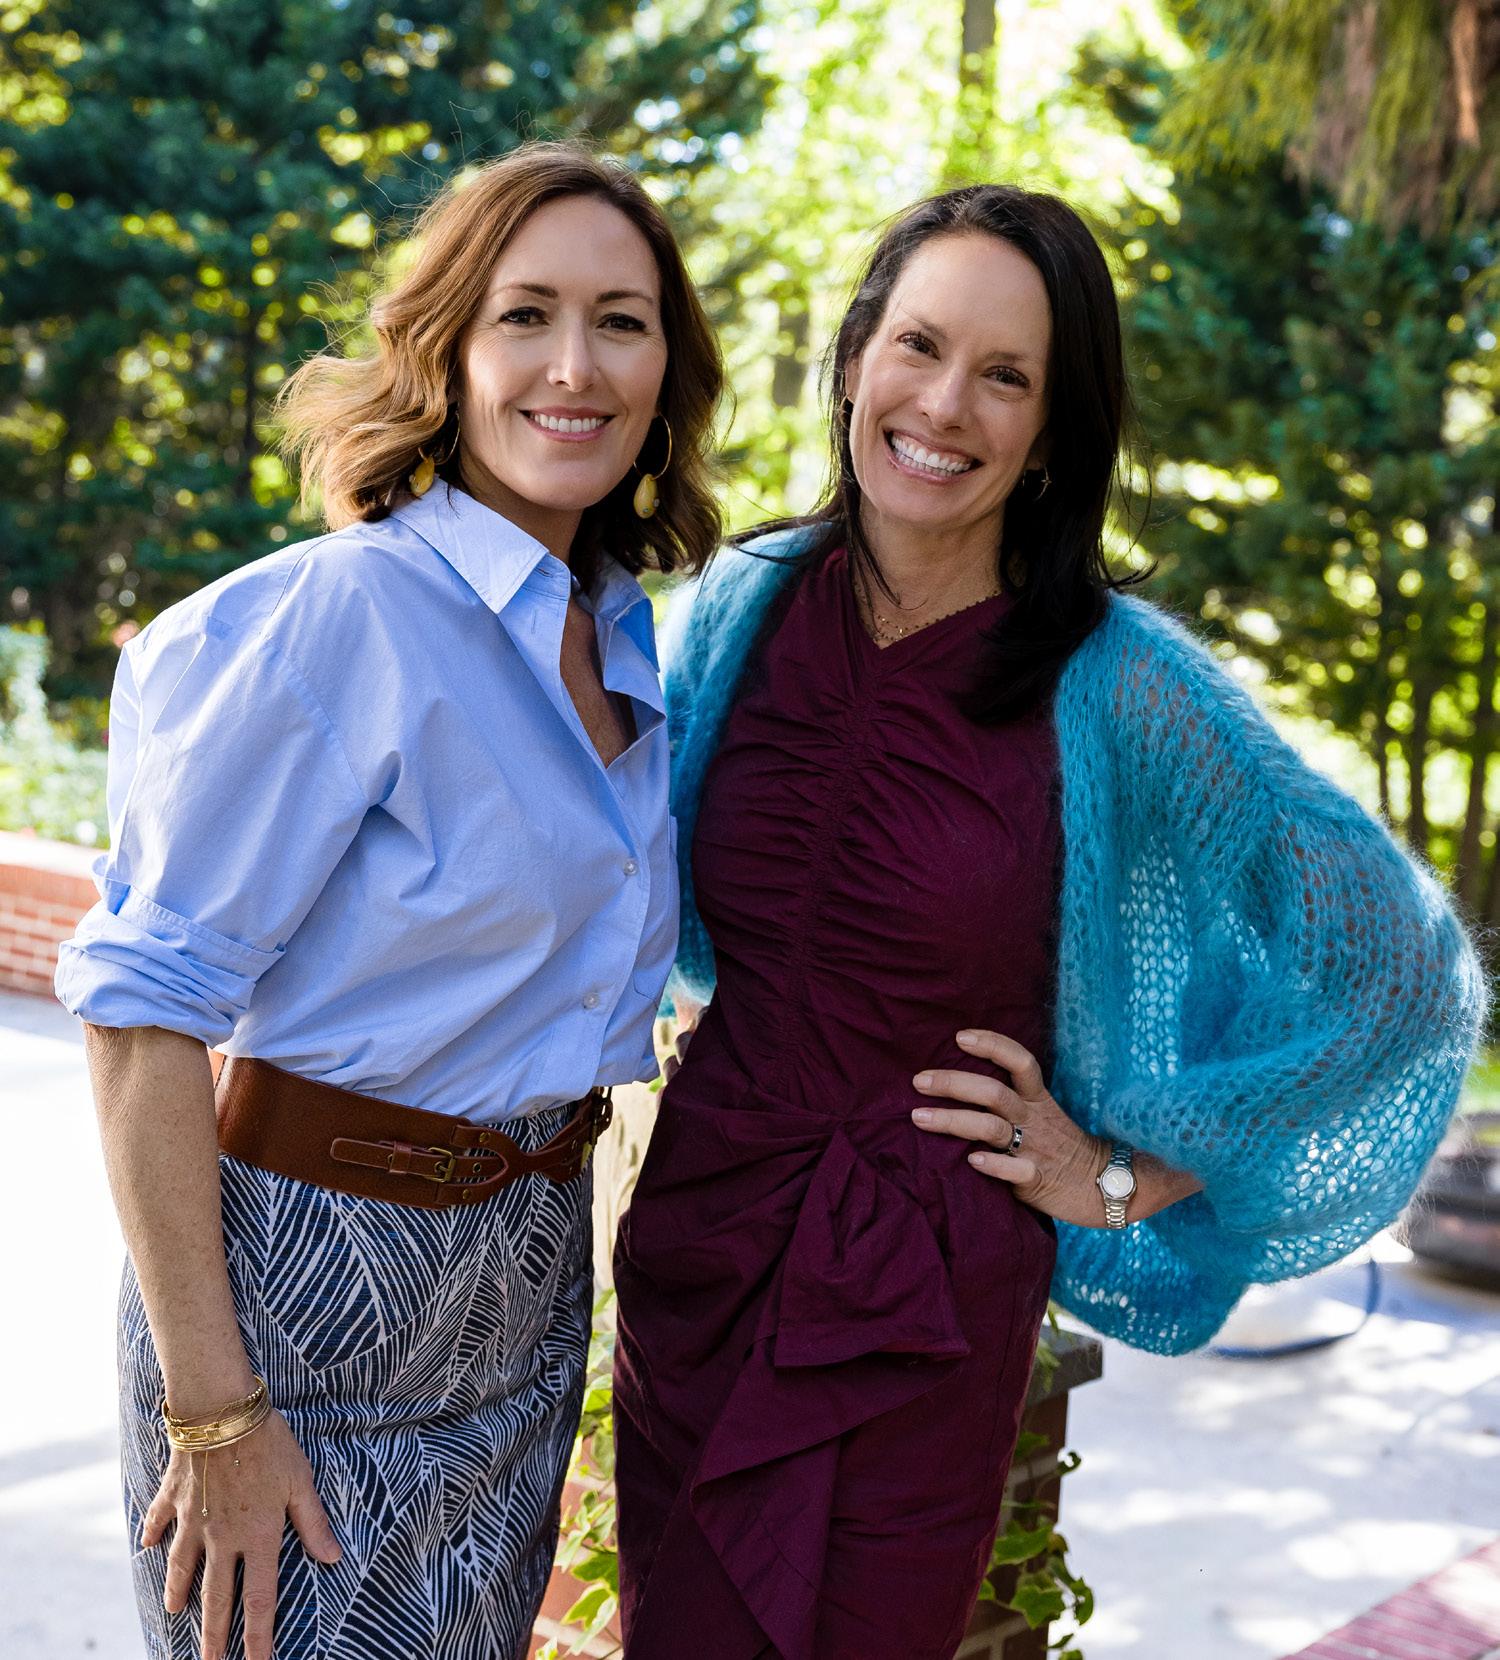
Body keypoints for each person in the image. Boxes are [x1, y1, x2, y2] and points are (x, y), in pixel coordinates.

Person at [610, 184, 1487, 1660]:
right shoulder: (741, 605)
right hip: (706, 1235)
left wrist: (1126, 1176)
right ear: (854, 358)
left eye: (1006, 376)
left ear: (1054, 430)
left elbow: (1402, 975)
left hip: (925, 1298)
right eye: (920, 345)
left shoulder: (1122, 681)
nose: (945, 405)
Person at [55, 140, 723, 1660]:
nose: (575, 366)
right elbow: (138, 1020)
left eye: (622, 322)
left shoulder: (623, 644)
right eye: (525, 315)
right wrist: (215, 1414)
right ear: (447, 353)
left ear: (667, 376)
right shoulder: (331, 621)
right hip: (297, 1295)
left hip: (524, 1279)